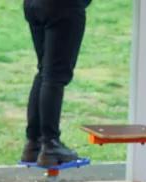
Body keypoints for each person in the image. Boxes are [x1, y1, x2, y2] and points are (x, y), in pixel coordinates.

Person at [20, 0, 90, 166]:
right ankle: (50, 144)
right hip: (62, 7)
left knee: (45, 71)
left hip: (34, 5)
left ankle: (34, 144)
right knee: (54, 76)